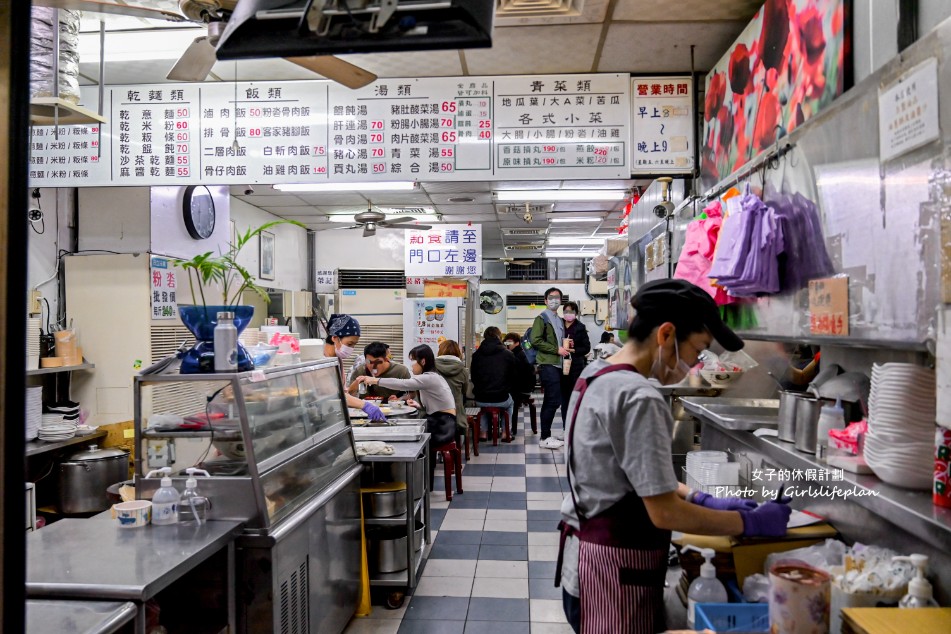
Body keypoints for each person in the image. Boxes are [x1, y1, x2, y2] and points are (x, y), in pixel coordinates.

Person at [557, 280, 792, 634]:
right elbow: (664, 512)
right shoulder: (640, 397)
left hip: (585, 565)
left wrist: (698, 497)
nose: (695, 366)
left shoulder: (595, 375)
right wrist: (750, 524)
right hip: (616, 572)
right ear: (666, 334)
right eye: (697, 352)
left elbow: (631, 472)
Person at [358, 344, 458, 489]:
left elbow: (403, 384)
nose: (411, 367)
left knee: (408, 440)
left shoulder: (429, 377)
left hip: (443, 425)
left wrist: (375, 380)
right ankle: (415, 481)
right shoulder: (431, 377)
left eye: (413, 361)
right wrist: (417, 405)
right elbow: (437, 403)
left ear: (423, 361)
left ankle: (415, 482)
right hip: (440, 420)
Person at [323, 314, 386, 422]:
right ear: (335, 338)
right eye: (350, 343)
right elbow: (334, 395)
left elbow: (342, 393)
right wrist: (365, 405)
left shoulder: (337, 360)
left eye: (354, 345)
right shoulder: (321, 360)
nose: (351, 348)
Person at [530, 287, 570, 448]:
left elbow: (557, 340)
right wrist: (556, 349)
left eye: (557, 297)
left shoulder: (559, 319)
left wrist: (566, 344)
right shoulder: (542, 318)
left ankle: (546, 436)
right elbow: (535, 340)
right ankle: (544, 437)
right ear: (546, 300)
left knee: (554, 400)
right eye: (551, 297)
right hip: (548, 363)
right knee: (552, 400)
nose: (554, 300)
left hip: (558, 364)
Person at [470, 326, 517, 441]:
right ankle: (506, 432)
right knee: (510, 403)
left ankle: (483, 432)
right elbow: (513, 377)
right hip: (501, 397)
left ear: (484, 337)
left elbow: (474, 377)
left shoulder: (476, 355)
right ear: (499, 337)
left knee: (484, 405)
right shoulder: (508, 354)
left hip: (481, 398)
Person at [347, 341, 412, 401]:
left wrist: (399, 399)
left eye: (378, 362)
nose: (373, 366)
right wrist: (356, 382)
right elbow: (349, 395)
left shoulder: (401, 370)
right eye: (369, 362)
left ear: (386, 359)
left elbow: (412, 393)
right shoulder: (360, 370)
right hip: (366, 408)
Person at [436, 339, 472, 446]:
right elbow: (464, 391)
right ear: (458, 352)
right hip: (455, 415)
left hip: (433, 414)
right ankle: (455, 450)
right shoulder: (463, 370)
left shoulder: (431, 367)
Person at [560, 301, 590, 426]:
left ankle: (575, 426)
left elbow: (586, 348)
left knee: (576, 397)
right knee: (564, 398)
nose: (568, 314)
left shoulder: (580, 327)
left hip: (576, 366)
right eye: (566, 311)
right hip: (560, 364)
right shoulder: (559, 324)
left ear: (576, 313)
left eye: (571, 312)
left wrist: (573, 349)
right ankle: (565, 427)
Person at [503, 332, 537, 435]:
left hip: (520, 389)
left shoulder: (516, 355)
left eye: (510, 342)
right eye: (506, 342)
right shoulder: (521, 353)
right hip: (526, 387)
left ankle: (509, 428)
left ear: (517, 343)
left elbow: (516, 376)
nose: (507, 344)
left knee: (504, 397)